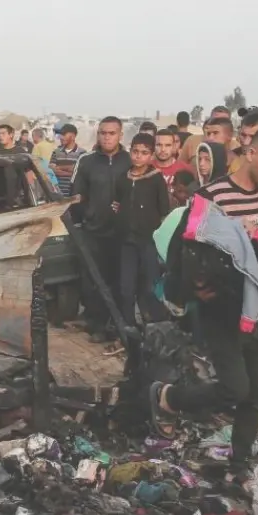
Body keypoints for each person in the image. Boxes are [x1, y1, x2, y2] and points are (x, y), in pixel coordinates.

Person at [153, 125, 258, 476]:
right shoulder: (212, 196)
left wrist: (257, 233)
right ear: (251, 153)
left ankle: (240, 463)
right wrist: (193, 287)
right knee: (235, 387)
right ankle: (168, 398)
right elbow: (185, 251)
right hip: (220, 307)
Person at [71, 116, 132, 344]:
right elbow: (77, 196)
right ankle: (96, 324)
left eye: (112, 133)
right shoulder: (87, 162)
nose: (107, 137)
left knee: (120, 282)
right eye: (103, 133)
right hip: (93, 232)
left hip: (121, 234)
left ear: (120, 135)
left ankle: (117, 327)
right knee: (93, 282)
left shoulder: (129, 161)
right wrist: (85, 217)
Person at [114, 132, 172, 330]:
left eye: (144, 153)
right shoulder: (123, 178)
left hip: (149, 242)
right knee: (125, 287)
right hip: (126, 241)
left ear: (151, 155)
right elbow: (117, 203)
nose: (139, 156)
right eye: (135, 152)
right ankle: (127, 327)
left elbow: (164, 211)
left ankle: (155, 327)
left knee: (150, 285)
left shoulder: (156, 180)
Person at [153, 129, 194, 207]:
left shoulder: (186, 169)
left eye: (167, 145)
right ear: (153, 146)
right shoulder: (145, 168)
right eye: (159, 145)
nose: (163, 149)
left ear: (174, 146)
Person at [50, 124, 85, 199]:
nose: (61, 137)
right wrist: (70, 170)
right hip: (58, 195)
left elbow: (80, 173)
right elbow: (52, 170)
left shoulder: (82, 153)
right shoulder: (56, 152)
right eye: (61, 135)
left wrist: (59, 168)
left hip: (74, 196)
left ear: (73, 136)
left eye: (64, 135)